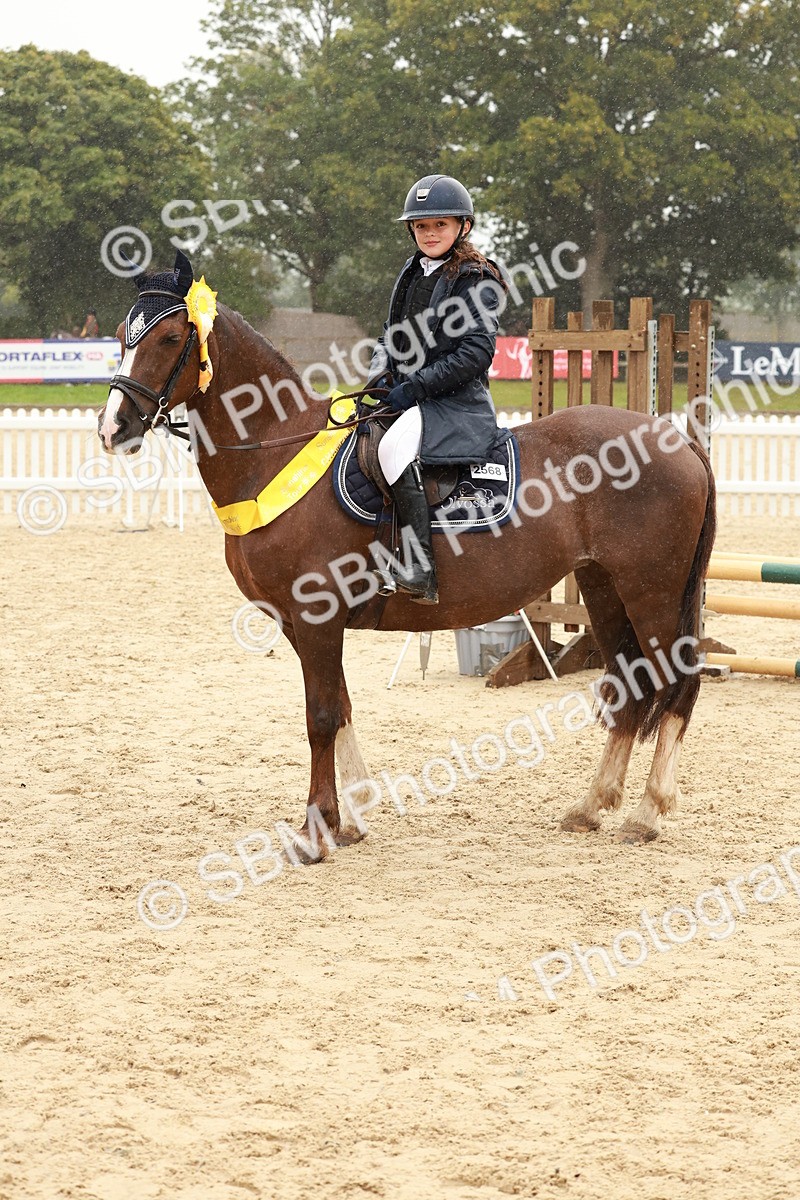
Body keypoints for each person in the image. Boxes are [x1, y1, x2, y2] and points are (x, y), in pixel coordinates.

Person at [367, 173, 508, 604]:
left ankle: (419, 568)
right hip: (412, 394)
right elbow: (389, 335)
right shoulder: (412, 271)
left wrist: (417, 387)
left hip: (455, 403)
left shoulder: (474, 278)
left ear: (462, 226)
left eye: (439, 225)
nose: (429, 234)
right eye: (422, 226)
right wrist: (380, 376)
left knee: (393, 451)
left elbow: (475, 354)